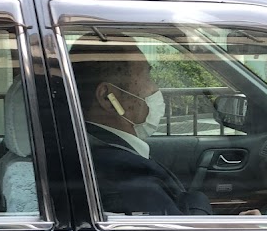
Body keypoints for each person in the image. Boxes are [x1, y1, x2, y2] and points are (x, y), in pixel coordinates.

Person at [69, 31, 213, 216]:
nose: (156, 89)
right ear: (108, 98)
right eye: (147, 76)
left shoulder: (88, 148)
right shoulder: (129, 175)